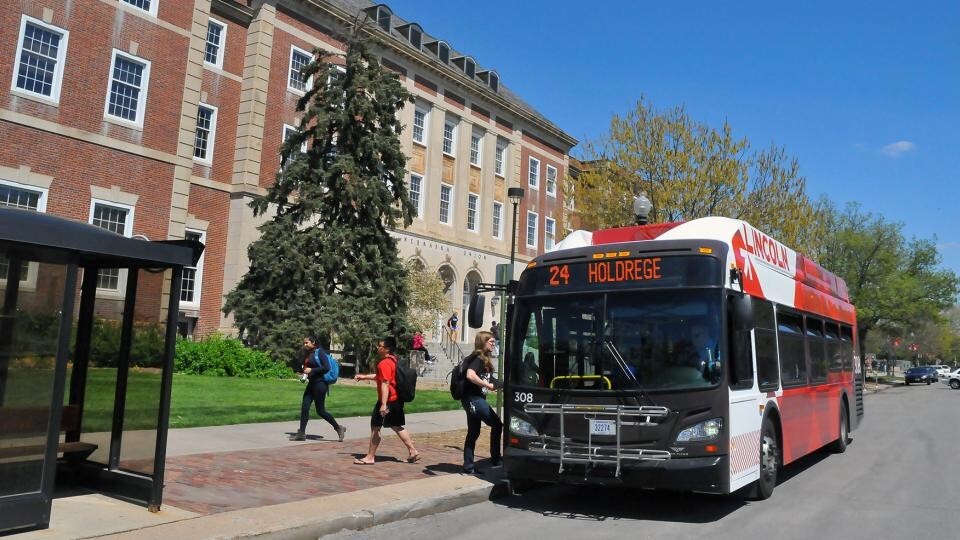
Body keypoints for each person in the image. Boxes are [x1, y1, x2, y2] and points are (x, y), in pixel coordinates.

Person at [352, 337, 420, 465]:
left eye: (380, 346)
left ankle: (370, 457)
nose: (378, 348)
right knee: (396, 426)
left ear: (387, 349)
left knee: (375, 428)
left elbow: (385, 383)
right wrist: (364, 376)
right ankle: (413, 451)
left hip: (387, 401)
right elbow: (381, 377)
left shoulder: (384, 363)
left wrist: (383, 405)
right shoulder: (393, 361)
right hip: (396, 400)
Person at [460, 331, 503, 474]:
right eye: (491, 342)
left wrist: (501, 384)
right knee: (497, 424)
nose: (493, 344)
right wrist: (487, 386)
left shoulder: (484, 359)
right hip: (474, 399)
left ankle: (469, 467)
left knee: (473, 432)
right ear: (483, 342)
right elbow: (470, 375)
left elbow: (489, 378)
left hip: (474, 399)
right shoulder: (478, 358)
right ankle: (496, 459)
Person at [291, 336, 346, 442]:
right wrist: (303, 371)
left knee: (320, 411)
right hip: (311, 384)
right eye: (304, 343)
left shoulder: (320, 352)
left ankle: (338, 428)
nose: (305, 345)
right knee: (305, 407)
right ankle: (302, 433)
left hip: (320, 384)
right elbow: (306, 367)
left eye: (307, 343)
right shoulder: (308, 354)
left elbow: (326, 367)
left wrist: (312, 370)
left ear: (313, 342)